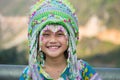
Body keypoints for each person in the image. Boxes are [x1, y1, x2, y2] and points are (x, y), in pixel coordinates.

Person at [20, 0, 101, 80]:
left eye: (60, 34)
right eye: (46, 34)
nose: (53, 40)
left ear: (71, 38)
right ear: (36, 39)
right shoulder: (30, 74)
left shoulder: (83, 71)